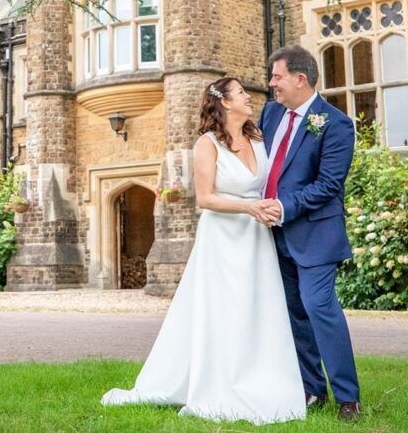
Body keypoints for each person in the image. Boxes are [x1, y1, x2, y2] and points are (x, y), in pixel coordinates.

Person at [101, 77, 306, 425]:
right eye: (241, 92)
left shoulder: (258, 139)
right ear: (225, 102)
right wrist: (250, 208)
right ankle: (219, 382)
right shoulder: (207, 144)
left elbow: (271, 183)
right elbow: (206, 198)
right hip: (223, 238)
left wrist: (270, 207)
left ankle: (264, 378)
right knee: (226, 309)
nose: (249, 97)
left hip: (257, 238)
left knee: (258, 307)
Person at [260, 45, 362, 422]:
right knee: (294, 313)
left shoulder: (335, 124)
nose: (272, 84)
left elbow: (329, 184)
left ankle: (348, 397)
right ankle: (312, 390)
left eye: (277, 77)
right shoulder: (270, 113)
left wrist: (285, 207)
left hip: (316, 235)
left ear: (300, 79)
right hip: (273, 235)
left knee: (319, 307)